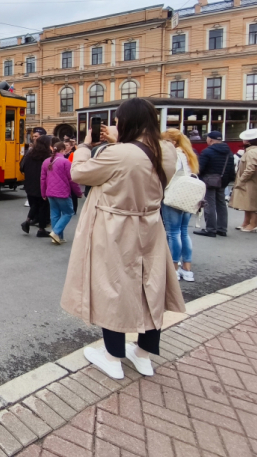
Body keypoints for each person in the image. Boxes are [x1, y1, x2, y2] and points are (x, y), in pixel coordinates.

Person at [61, 98, 185, 380]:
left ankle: (113, 357)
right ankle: (143, 354)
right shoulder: (167, 150)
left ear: (126, 122)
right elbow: (139, 157)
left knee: (112, 288)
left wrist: (84, 147)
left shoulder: (118, 153)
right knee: (150, 288)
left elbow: (78, 173)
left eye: (117, 121)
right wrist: (120, 141)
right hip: (150, 225)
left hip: (115, 228)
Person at [160, 129, 200, 282]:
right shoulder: (188, 154)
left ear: (172, 142)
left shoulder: (174, 154)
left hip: (174, 196)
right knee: (183, 232)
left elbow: (170, 174)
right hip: (188, 196)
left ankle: (174, 268)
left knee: (173, 233)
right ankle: (187, 269)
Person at [40, 140, 82, 245]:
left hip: (50, 192)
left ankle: (58, 237)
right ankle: (56, 232)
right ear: (63, 150)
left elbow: (43, 179)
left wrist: (43, 193)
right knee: (68, 212)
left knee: (55, 214)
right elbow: (72, 180)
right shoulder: (65, 162)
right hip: (62, 192)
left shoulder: (46, 161)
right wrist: (78, 192)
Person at [194, 131, 234, 238]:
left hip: (209, 181)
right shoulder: (229, 152)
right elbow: (231, 170)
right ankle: (222, 229)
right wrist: (226, 181)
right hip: (222, 181)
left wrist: (199, 178)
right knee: (221, 204)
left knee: (209, 204)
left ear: (210, 139)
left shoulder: (207, 151)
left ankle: (210, 229)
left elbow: (200, 168)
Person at [229, 128, 257, 232]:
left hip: (251, 182)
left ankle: (253, 224)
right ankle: (246, 222)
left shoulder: (252, 152)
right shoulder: (254, 150)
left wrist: (241, 180)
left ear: (249, 141)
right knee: (247, 203)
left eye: (245, 139)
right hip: (252, 181)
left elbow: (250, 169)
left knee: (253, 203)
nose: (243, 140)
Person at [20, 135, 52, 237]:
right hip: (42, 183)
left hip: (29, 183)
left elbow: (22, 167)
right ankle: (41, 229)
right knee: (43, 206)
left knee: (35, 204)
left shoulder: (29, 153)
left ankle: (27, 221)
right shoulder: (47, 156)